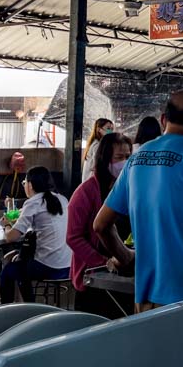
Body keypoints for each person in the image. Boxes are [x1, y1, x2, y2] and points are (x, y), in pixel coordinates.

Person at [94, 89, 183, 310]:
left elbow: (100, 225)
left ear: (163, 119)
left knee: (152, 346)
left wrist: (126, 257)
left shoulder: (136, 158)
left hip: (146, 298)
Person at [67, 132, 134, 315]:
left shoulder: (128, 189)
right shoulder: (85, 193)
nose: (125, 162)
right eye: (119, 157)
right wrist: (104, 262)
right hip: (93, 277)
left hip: (123, 273)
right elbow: (73, 237)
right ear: (105, 160)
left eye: (128, 157)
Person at [0, 166, 72, 303]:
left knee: (9, 271)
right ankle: (28, 305)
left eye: (24, 183)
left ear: (30, 184)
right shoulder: (62, 199)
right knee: (18, 263)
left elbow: (11, 237)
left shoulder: (33, 203)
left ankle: (22, 307)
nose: (24, 186)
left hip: (48, 267)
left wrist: (7, 225)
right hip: (68, 265)